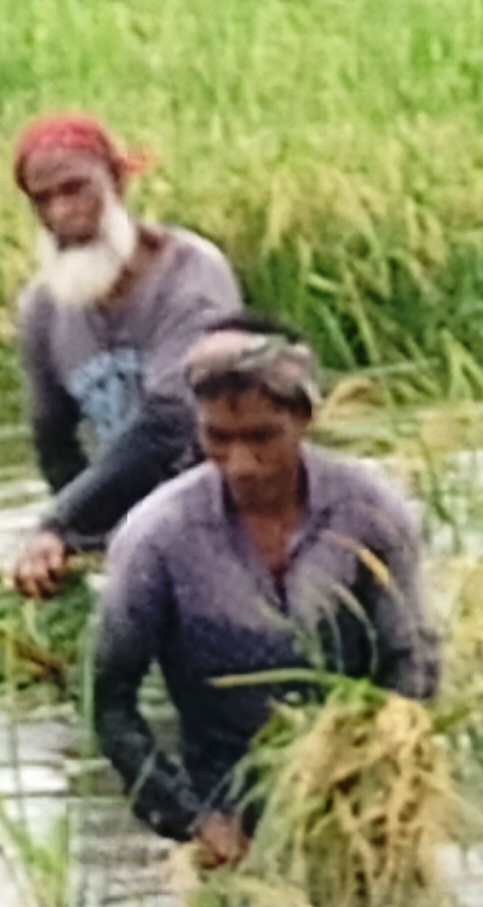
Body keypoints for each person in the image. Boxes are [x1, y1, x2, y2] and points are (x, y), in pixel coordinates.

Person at [86, 322, 441, 865]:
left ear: (304, 419)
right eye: (218, 439)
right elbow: (110, 701)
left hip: (354, 794)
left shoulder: (370, 511)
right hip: (224, 807)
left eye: (261, 437)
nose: (241, 464)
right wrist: (190, 819)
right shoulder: (156, 536)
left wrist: (382, 776)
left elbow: (412, 661)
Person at [5, 113, 244, 598]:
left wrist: (58, 523)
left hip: (226, 506)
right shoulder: (44, 307)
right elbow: (53, 438)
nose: (61, 214)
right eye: (43, 200)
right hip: (133, 519)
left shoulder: (190, 275)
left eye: (75, 189)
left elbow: (172, 421)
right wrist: (81, 543)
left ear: (115, 183)